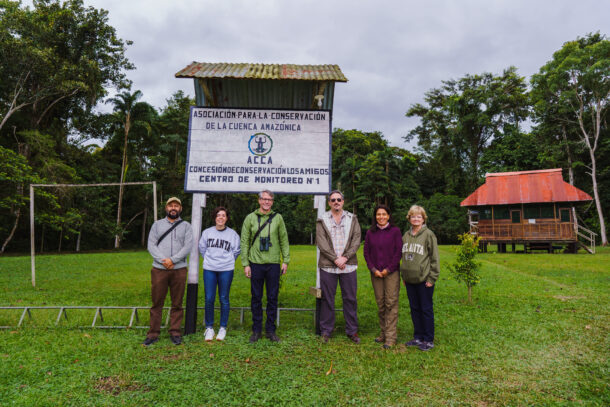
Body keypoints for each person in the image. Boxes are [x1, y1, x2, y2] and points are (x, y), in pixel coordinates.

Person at [241, 190, 290, 343]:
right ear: (259, 200)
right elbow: (244, 242)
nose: (267, 202)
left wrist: (285, 260)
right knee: (256, 297)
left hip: (273, 263)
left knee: (272, 297)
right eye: (264, 199)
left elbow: (284, 239)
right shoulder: (250, 218)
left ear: (272, 202)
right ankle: (256, 330)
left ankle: (270, 330)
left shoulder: (278, 218)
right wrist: (245, 264)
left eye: (270, 200)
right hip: (255, 263)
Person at [143, 197, 193, 346]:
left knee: (177, 303)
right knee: (157, 302)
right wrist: (163, 260)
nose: (173, 208)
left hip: (179, 270)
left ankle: (175, 332)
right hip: (159, 269)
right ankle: (153, 333)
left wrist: (173, 260)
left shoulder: (186, 226)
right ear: (166, 208)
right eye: (171, 205)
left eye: (176, 206)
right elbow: (151, 245)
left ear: (180, 209)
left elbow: (187, 246)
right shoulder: (157, 225)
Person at [316, 190, 362, 344]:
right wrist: (336, 259)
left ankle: (352, 331)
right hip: (328, 266)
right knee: (327, 299)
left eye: (339, 199)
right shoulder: (322, 219)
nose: (336, 202)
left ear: (343, 201)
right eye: (333, 200)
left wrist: (345, 257)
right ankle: (326, 331)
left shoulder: (352, 218)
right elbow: (321, 243)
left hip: (348, 265)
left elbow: (357, 239)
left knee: (350, 298)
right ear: (329, 203)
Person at [400, 205, 440, 351]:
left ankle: (428, 339)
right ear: (409, 218)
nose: (416, 219)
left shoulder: (428, 234)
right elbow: (404, 258)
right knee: (414, 309)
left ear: (423, 219)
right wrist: (403, 275)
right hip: (409, 280)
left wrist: (432, 277)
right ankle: (418, 337)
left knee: (425, 309)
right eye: (413, 216)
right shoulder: (406, 235)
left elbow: (434, 258)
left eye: (419, 216)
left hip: (424, 280)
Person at [363, 204, 403, 349]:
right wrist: (373, 269)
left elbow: (399, 252)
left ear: (389, 216)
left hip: (391, 273)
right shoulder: (370, 233)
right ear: (375, 216)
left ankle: (391, 338)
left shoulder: (395, 231)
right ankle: (383, 333)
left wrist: (388, 269)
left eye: (384, 214)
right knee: (381, 304)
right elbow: (366, 253)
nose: (381, 217)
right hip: (376, 273)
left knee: (390, 303)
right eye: (378, 214)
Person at [199, 207, 241, 342]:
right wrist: (210, 261)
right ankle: (209, 327)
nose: (221, 218)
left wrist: (226, 262)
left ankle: (223, 327)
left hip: (226, 269)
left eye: (223, 215)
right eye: (218, 215)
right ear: (214, 217)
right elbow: (202, 249)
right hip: (210, 268)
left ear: (227, 218)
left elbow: (236, 251)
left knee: (224, 298)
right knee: (209, 298)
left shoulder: (233, 234)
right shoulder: (207, 232)